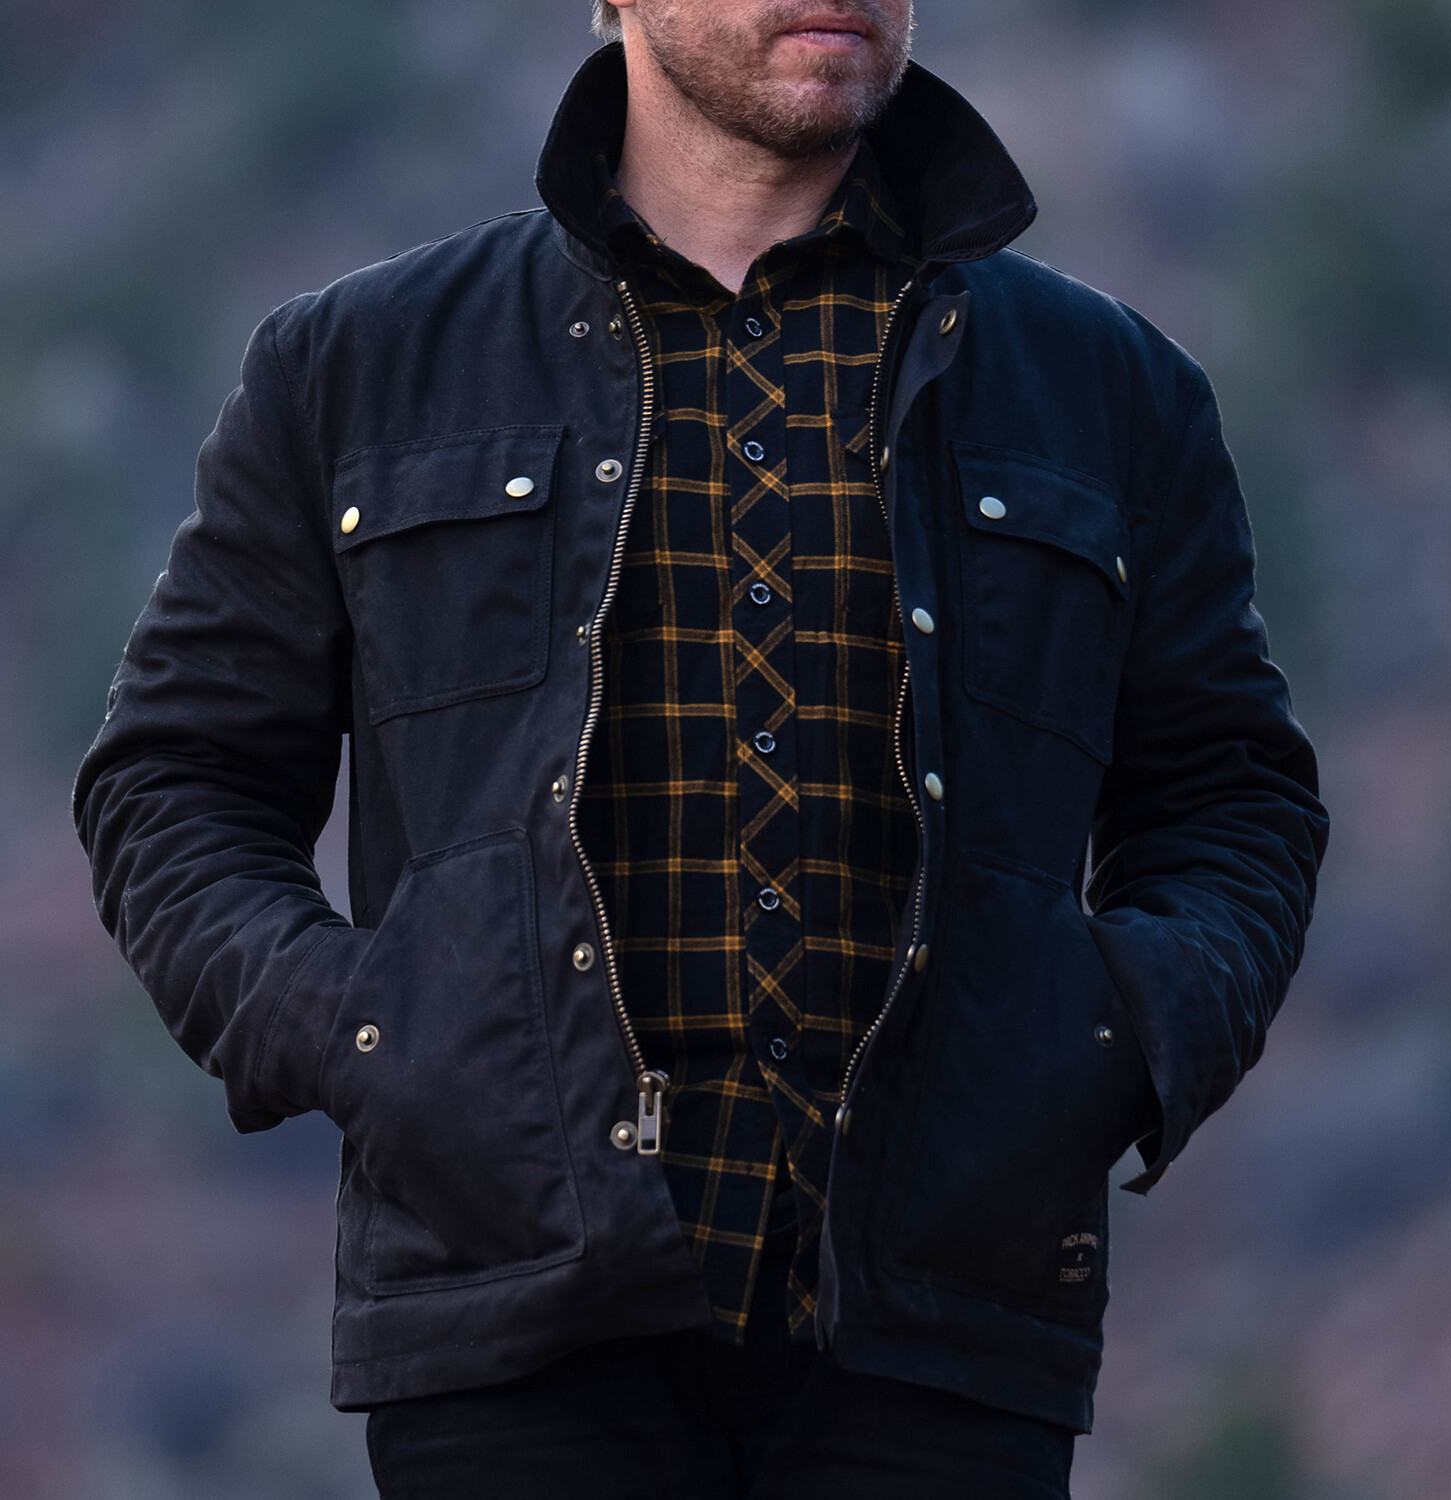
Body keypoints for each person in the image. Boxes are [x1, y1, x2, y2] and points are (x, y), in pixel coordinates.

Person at [73, 0, 1329, 1494]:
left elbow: (1232, 799)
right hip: (518, 1335)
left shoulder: (1109, 391)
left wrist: (1110, 1039)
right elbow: (176, 782)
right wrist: (369, 1036)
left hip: (942, 1336)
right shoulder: (357, 369)